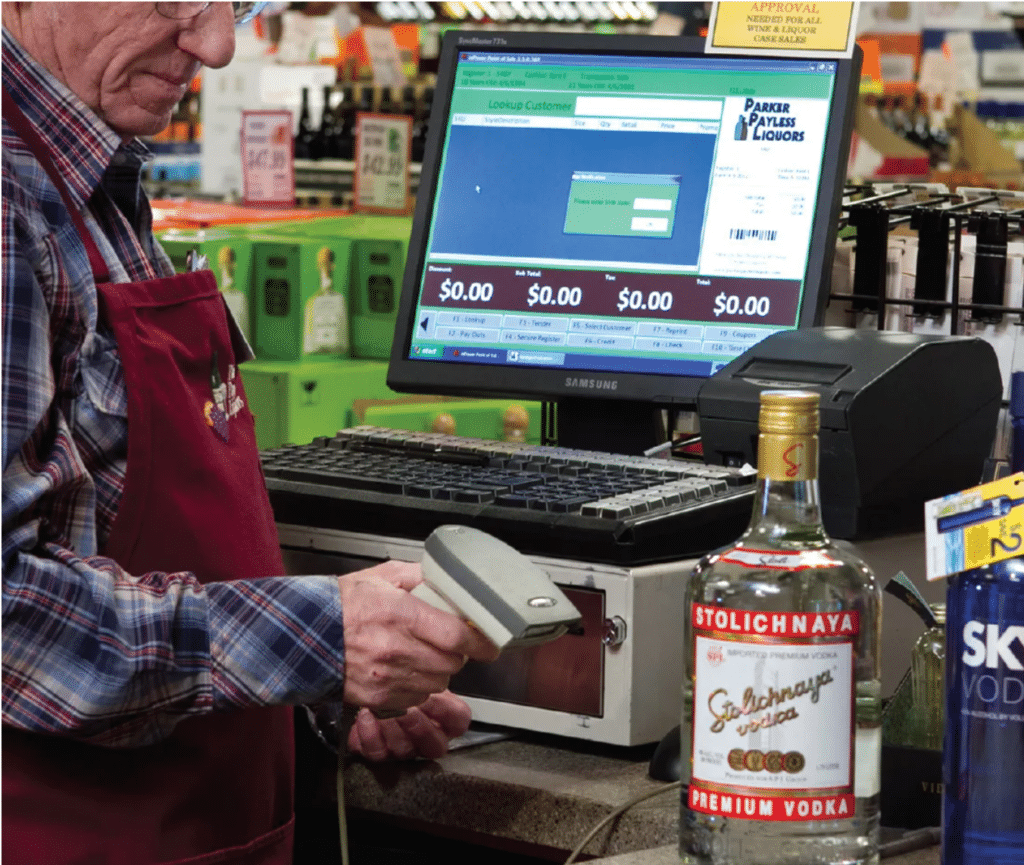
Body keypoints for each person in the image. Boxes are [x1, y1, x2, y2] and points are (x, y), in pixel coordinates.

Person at [1, 4, 499, 864]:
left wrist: (324, 677)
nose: (218, 46)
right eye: (176, 1)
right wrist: (320, 635)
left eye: (237, 5)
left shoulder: (91, 180)